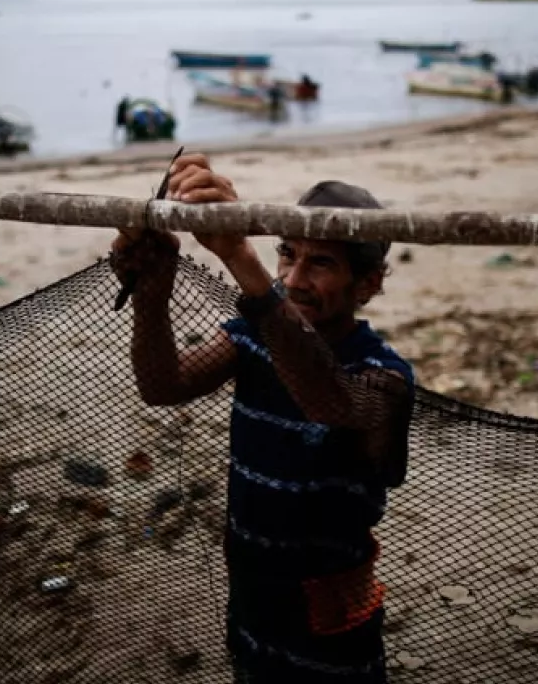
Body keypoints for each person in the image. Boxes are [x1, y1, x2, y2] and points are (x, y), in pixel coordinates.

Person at [110, 155, 415, 683]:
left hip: (331, 618)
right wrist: (152, 294)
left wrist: (237, 255)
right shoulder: (252, 336)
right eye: (287, 255)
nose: (294, 279)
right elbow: (163, 386)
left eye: (321, 264)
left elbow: (329, 399)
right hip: (251, 595)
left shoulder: (382, 376)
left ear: (367, 284)